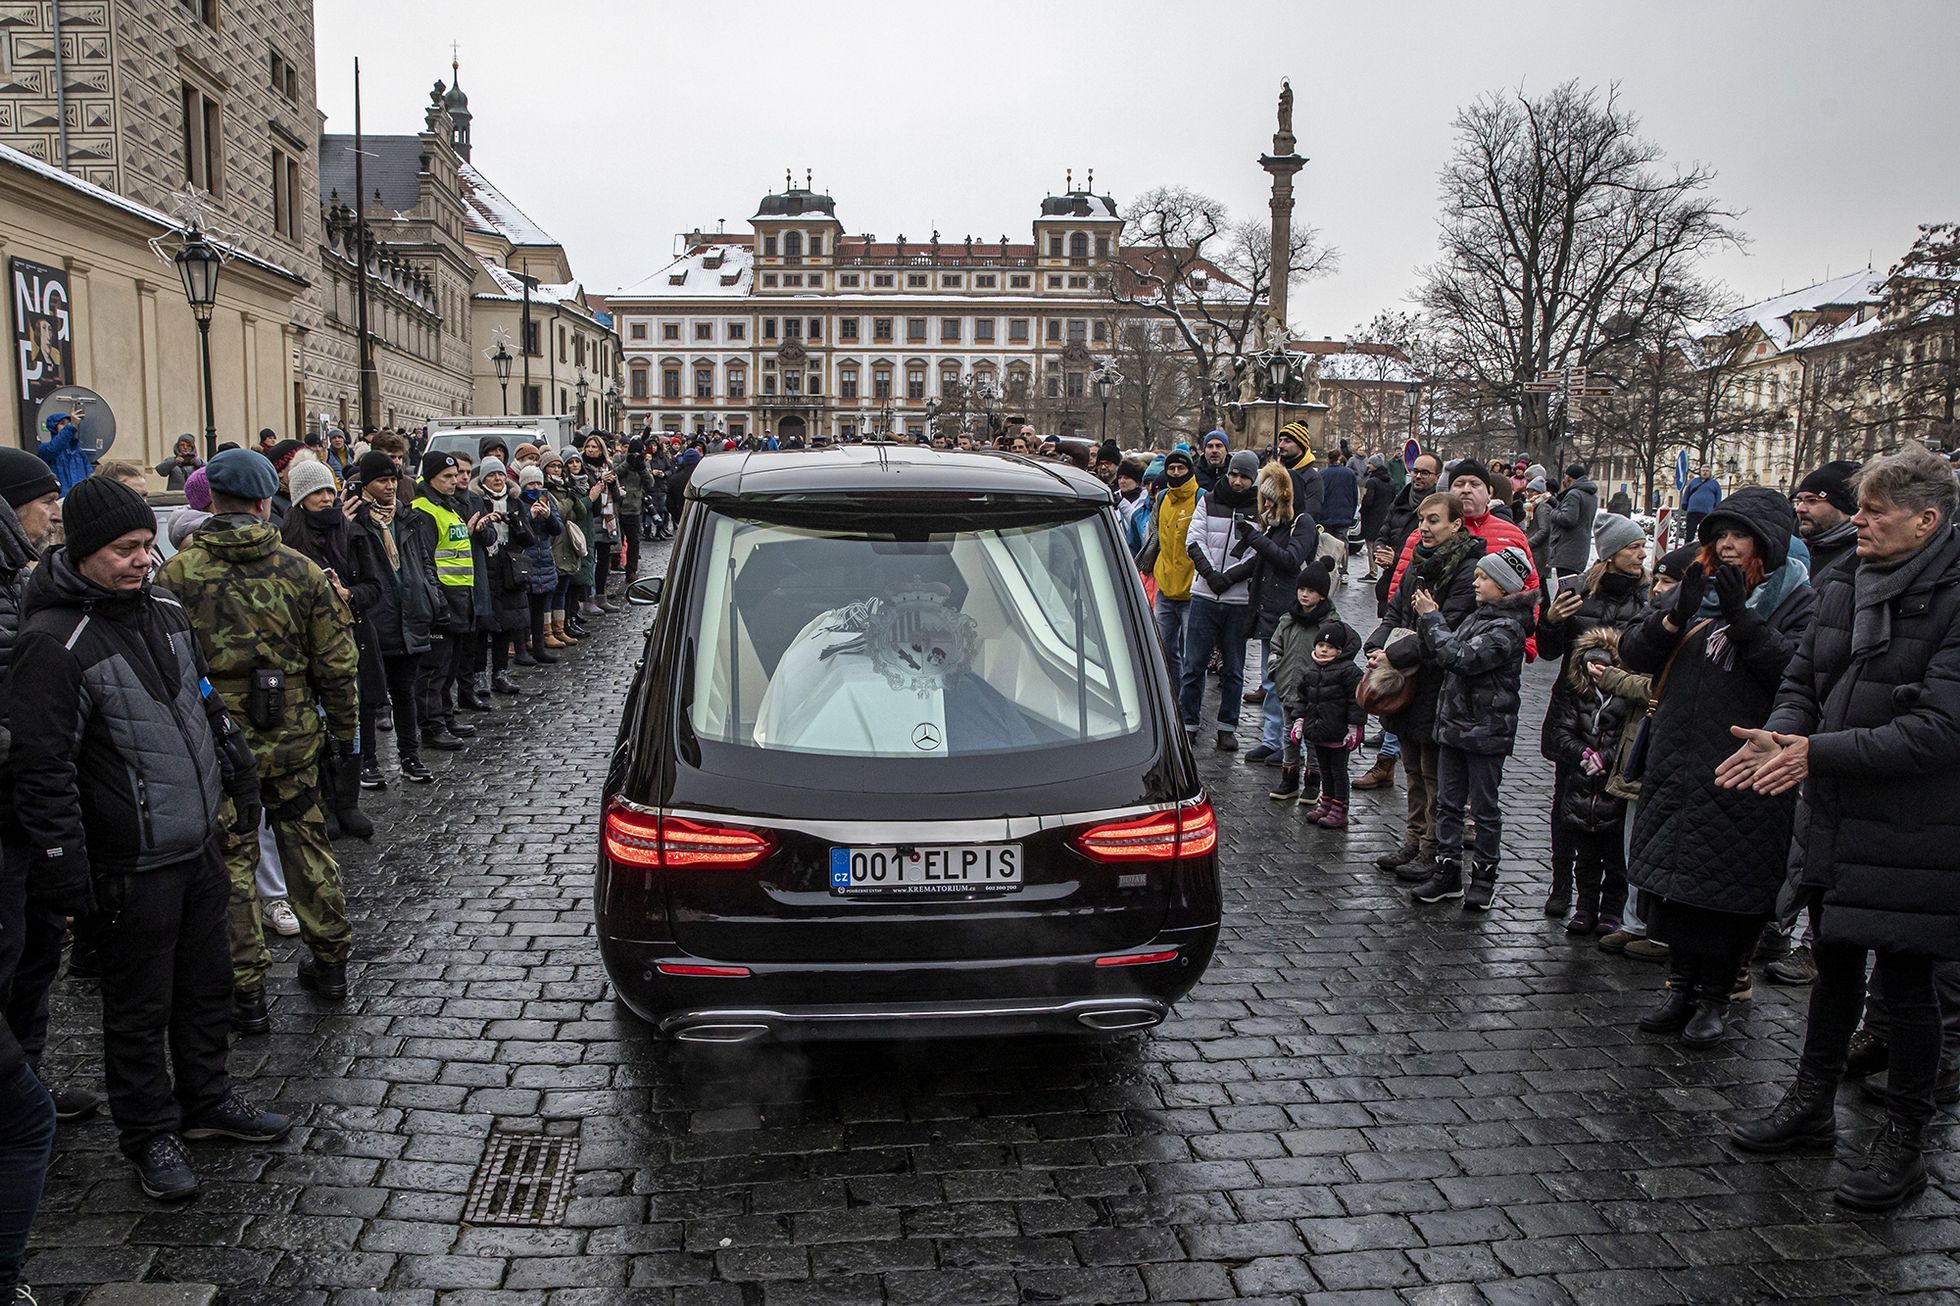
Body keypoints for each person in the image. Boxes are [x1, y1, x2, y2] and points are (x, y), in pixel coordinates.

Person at [8, 475, 286, 1201]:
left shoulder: (164, 608)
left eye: (146, 546)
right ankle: (148, 1131)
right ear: (87, 551)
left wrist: (236, 765)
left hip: (194, 840)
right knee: (138, 1006)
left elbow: (198, 696)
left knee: (207, 985)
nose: (143, 559)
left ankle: (206, 1101)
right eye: (126, 549)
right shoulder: (53, 640)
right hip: (128, 858)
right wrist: (65, 869)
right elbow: (42, 768)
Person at [1724, 445, 1960, 1212]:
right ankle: (1811, 1104)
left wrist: (1811, 753)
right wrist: (1782, 735)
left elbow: (1937, 732)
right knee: (1833, 963)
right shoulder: (1847, 578)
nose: (1855, 521)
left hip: (1914, 829)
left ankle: (1905, 1141)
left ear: (1925, 521)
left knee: (1905, 985)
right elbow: (1804, 679)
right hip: (1831, 809)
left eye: (1874, 512)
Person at [158, 448, 362, 1033]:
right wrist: (346, 735)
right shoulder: (299, 570)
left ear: (214, 501)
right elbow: (337, 663)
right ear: (262, 502)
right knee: (306, 842)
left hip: (218, 740)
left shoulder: (176, 576)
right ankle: (330, 964)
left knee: (234, 859)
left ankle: (245, 990)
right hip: (293, 732)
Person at [1620, 487, 1814, 1050]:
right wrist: (1678, 614)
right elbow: (1636, 650)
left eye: (1739, 535)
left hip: (1743, 764)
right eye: (1718, 535)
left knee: (1732, 888)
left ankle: (1716, 997)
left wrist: (1742, 619)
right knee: (1676, 884)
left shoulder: (1796, 599)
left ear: (1768, 542)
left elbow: (1795, 672)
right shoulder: (1690, 586)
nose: (1726, 546)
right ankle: (1680, 988)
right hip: (1678, 759)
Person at [1533, 513, 1651, 916]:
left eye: (1641, 547)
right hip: (1574, 711)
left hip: (1621, 714)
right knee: (1565, 801)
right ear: (1612, 553)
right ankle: (1561, 883)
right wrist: (1550, 621)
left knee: (1613, 808)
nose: (1641, 554)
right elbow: (1548, 652)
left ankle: (1607, 897)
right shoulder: (1579, 592)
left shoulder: (1648, 597)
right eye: (1633, 547)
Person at [1407, 544, 1537, 908]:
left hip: (1485, 733)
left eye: (1484, 577)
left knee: (1483, 809)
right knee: (1448, 804)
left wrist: (1432, 617)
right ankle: (1447, 873)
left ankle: (1484, 877)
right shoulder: (1479, 616)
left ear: (1504, 585)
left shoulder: (1508, 627)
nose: (1476, 582)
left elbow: (1459, 657)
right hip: (1454, 727)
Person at [1367, 492, 1486, 878]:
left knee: (1436, 774)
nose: (1424, 528)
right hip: (1407, 684)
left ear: (1456, 524)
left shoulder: (1468, 571)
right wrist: (1375, 645)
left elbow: (1445, 629)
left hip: (1439, 685)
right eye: (1421, 520)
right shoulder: (1419, 564)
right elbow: (1396, 611)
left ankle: (1434, 847)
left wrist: (1393, 655)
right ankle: (1414, 838)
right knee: (1412, 768)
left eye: (1433, 521)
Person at [276, 458, 375, 843]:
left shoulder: (352, 534)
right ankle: (325, 802)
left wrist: (349, 594)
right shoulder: (287, 542)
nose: (326, 498)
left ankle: (348, 802)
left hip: (351, 641)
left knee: (348, 722)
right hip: (306, 647)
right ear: (300, 497)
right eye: (317, 492)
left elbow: (375, 587)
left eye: (330, 491)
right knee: (315, 724)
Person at [349, 451, 434, 785]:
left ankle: (409, 757)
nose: (389, 486)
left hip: (410, 612)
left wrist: (430, 596)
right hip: (374, 616)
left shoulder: (406, 517)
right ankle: (368, 761)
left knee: (405, 693)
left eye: (392, 480)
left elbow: (424, 560)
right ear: (366, 484)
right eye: (382, 480)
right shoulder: (356, 521)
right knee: (370, 696)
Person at [1357, 454, 1441, 792]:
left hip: (1420, 623)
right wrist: (1383, 553)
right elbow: (1386, 532)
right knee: (1396, 691)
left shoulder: (1441, 516)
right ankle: (1388, 760)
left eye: (1425, 472)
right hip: (1396, 598)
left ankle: (1387, 761)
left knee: (1407, 691)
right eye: (1415, 470)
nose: (1418, 476)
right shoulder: (1402, 499)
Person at [1549, 628, 1635, 933]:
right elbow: (1562, 732)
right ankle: (1585, 905)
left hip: (1612, 792)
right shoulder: (1578, 695)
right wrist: (1583, 753)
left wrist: (1606, 757)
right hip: (1581, 789)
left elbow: (1629, 736)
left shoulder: (1624, 700)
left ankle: (1612, 909)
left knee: (1615, 860)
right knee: (1585, 859)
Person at [405, 450, 490, 749]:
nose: (455, 481)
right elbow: (425, 560)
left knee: (450, 668)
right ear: (430, 478)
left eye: (455, 476)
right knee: (433, 671)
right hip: (439, 601)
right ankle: (432, 726)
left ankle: (445, 715)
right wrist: (436, 601)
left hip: (458, 599)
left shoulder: (449, 507)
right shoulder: (423, 510)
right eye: (447, 477)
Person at [1181, 449, 1259, 750]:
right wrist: (1211, 575)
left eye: (1244, 477)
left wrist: (1230, 578)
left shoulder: (1258, 509)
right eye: (1234, 475)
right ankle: (1189, 721)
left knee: (1234, 668)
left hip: (1237, 599)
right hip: (1204, 593)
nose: (1238, 481)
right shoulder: (1209, 500)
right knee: (1194, 664)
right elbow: (1194, 539)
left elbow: (1256, 553)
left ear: (1252, 479)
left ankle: (1227, 725)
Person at [1237, 463, 1314, 765]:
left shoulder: (1302, 523)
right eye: (1263, 499)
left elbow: (1290, 559)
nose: (1266, 504)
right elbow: (1260, 564)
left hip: (1293, 615)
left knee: (1290, 683)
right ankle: (1272, 741)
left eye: (1271, 499)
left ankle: (1294, 746)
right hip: (1270, 614)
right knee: (1270, 680)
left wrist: (1255, 537)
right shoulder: (1273, 526)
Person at [1265, 561, 1339, 804]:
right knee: (1289, 735)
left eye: (1311, 591)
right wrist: (1276, 670)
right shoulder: (1288, 619)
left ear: (1321, 595)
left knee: (1313, 738)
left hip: (1316, 693)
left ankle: (1312, 782)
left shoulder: (1329, 624)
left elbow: (1339, 652)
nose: (1305, 594)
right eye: (1302, 589)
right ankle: (1289, 778)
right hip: (1289, 688)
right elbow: (1276, 647)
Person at [1286, 620, 1365, 828]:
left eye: (1329, 647)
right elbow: (1303, 698)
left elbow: (1356, 701)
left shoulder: (1349, 671)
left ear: (1339, 650)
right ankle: (1327, 802)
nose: (1323, 650)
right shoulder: (1312, 670)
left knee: (1338, 771)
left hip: (1338, 733)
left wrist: (1354, 727)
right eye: (1321, 645)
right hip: (1319, 732)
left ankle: (1340, 808)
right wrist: (1300, 720)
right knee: (1325, 769)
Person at [470, 456, 535, 696]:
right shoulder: (477, 501)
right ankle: (479, 674)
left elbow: (529, 537)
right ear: (483, 478)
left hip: (510, 568)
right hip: (485, 566)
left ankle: (500, 672)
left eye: (500, 475)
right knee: (484, 624)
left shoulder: (515, 502)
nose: (498, 479)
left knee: (506, 625)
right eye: (492, 475)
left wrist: (515, 521)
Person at [1149, 449, 1202, 690]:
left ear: (1189, 470)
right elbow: (1154, 537)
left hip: (1192, 591)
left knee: (1192, 654)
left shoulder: (1201, 498)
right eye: (1171, 469)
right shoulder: (1161, 499)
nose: (1176, 472)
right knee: (1164, 649)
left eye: (1181, 468)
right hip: (1166, 588)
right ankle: (1172, 696)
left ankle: (1189, 707)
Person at [515, 465, 565, 660]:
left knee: (539, 608)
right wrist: (530, 516)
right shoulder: (518, 503)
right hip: (525, 561)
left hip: (543, 558)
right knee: (523, 609)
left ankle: (539, 647)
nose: (535, 487)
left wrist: (548, 515)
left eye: (538, 483)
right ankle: (521, 648)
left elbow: (557, 529)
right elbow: (518, 530)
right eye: (531, 483)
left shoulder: (548, 501)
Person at [1792, 459, 1861, 579]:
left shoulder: (1858, 558)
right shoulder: (1798, 552)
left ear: (1842, 506)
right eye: (1799, 501)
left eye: (1811, 500)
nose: (1799, 509)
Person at [1317, 447, 1359, 579]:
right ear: (1339, 458)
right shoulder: (1349, 474)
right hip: (1344, 515)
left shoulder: (1322, 474)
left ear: (1329, 459)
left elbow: (1319, 496)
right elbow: (1354, 495)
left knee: (1325, 544)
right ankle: (1343, 570)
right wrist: (1351, 513)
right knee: (1343, 544)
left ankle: (1325, 570)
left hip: (1326, 515)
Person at [1275, 423, 1325, 522]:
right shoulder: (1276, 472)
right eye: (1280, 440)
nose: (1281, 445)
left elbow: (1311, 513)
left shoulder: (1312, 478)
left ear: (1301, 445)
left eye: (1287, 441)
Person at [34, 413, 91, 495]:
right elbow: (55, 447)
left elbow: (90, 475)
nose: (66, 425)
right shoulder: (45, 449)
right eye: (62, 423)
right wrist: (71, 427)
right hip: (59, 501)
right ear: (54, 427)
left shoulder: (79, 452)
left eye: (68, 423)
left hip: (79, 499)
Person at [1356, 456, 1394, 578]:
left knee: (1371, 545)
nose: (1368, 465)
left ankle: (1373, 572)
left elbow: (1367, 501)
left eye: (1370, 463)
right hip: (1386, 517)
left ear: (1375, 465)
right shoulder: (1391, 481)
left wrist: (1362, 511)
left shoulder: (1372, 482)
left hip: (1372, 518)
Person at [1682, 464, 1723, 542]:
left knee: (1705, 531)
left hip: (1706, 511)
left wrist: (1717, 507)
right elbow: (1686, 492)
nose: (1705, 473)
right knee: (1690, 531)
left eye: (1707, 471)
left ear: (1710, 472)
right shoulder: (1694, 481)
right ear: (1700, 472)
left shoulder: (1714, 483)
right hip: (1693, 510)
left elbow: (1718, 496)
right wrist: (1684, 502)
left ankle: (1704, 547)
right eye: (1703, 471)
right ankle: (1687, 545)